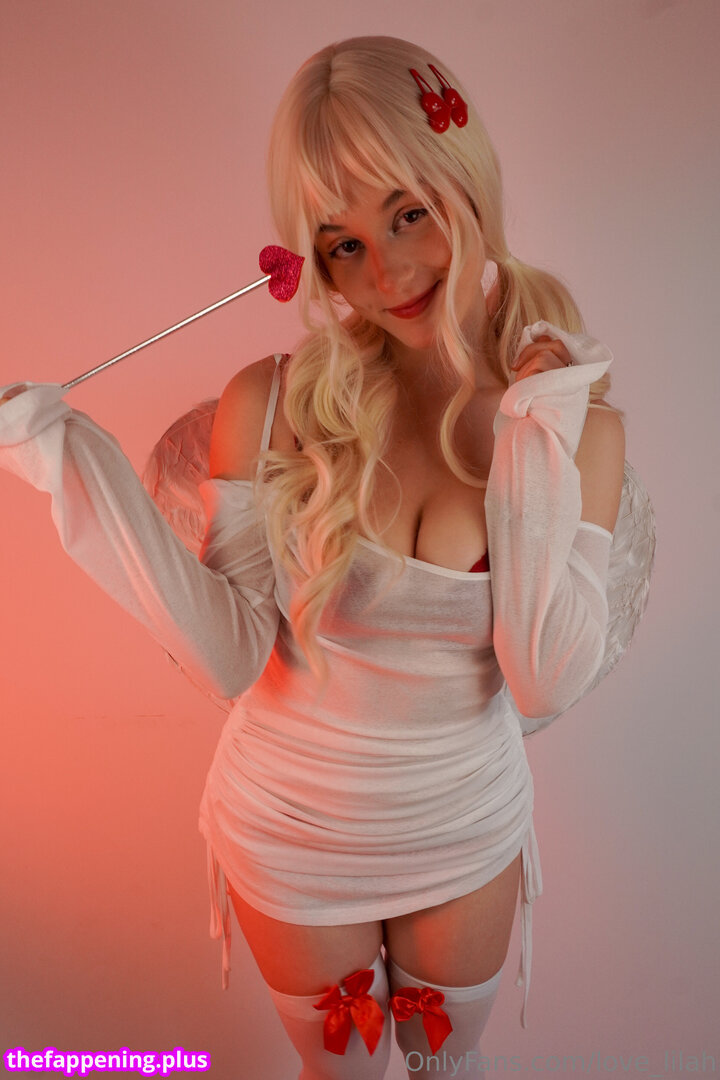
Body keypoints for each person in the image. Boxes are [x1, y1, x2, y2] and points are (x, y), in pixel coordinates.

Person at [1, 35, 625, 1080]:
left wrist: (533, 433)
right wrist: (65, 457)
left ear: (466, 180)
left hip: (461, 820)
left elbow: (543, 677)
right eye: (343, 243)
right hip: (289, 824)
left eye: (410, 213)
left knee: (442, 1073)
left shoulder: (572, 427)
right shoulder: (273, 403)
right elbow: (230, 658)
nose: (388, 272)